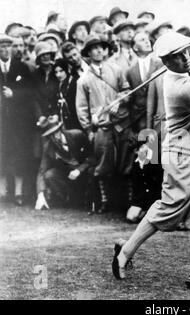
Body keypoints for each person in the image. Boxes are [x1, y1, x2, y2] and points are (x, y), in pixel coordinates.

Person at [111, 31, 190, 289]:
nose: (186, 58)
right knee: (169, 206)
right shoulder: (180, 88)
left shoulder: (185, 73)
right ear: (165, 62)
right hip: (184, 154)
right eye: (177, 56)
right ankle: (125, 252)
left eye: (187, 51)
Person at [76, 34, 131, 213]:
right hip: (101, 126)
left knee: (126, 160)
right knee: (103, 164)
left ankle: (128, 201)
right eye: (94, 48)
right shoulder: (84, 79)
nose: (99, 50)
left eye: (102, 47)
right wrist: (88, 130)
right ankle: (105, 201)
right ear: (89, 53)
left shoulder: (116, 70)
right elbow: (82, 108)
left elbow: (127, 90)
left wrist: (120, 101)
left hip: (121, 122)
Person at [0, 34, 35, 205]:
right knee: (2, 151)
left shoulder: (21, 67)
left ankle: (19, 191)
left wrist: (14, 94)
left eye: (8, 46)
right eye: (2, 47)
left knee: (19, 153)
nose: (5, 50)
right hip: (1, 121)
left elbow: (30, 92)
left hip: (18, 120)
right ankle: (2, 190)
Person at [35, 115, 93, 210]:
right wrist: (40, 195)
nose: (54, 137)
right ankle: (67, 198)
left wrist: (79, 170)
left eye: (56, 132)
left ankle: (86, 198)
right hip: (66, 173)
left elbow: (92, 157)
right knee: (49, 175)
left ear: (60, 129)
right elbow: (42, 170)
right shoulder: (48, 147)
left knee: (91, 171)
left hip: (83, 171)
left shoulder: (77, 135)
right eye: (50, 135)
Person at [126, 143, 161, 223]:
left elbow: (157, 185)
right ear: (136, 151)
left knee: (153, 217)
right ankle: (143, 213)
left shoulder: (154, 164)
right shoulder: (134, 165)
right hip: (139, 200)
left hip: (152, 199)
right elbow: (134, 187)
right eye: (141, 148)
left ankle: (146, 213)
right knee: (131, 217)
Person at [52, 59, 81, 130]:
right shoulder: (59, 85)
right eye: (56, 72)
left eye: (61, 71)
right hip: (66, 121)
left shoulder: (75, 82)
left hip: (78, 119)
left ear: (66, 70)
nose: (58, 75)